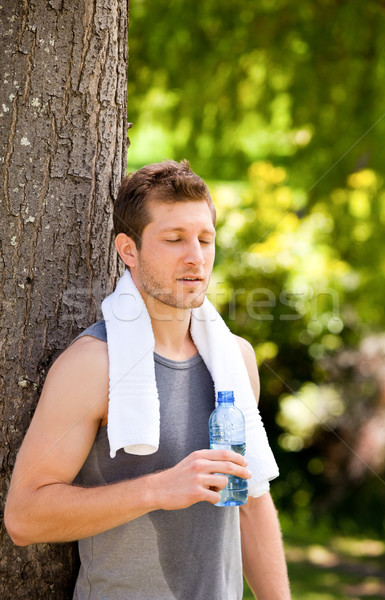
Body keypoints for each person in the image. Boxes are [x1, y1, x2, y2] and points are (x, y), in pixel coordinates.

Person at [5, 160, 291, 599]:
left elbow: (251, 500)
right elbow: (24, 518)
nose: (195, 256)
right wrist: (159, 489)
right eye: (174, 239)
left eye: (205, 239)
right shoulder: (93, 365)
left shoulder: (236, 359)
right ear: (129, 250)